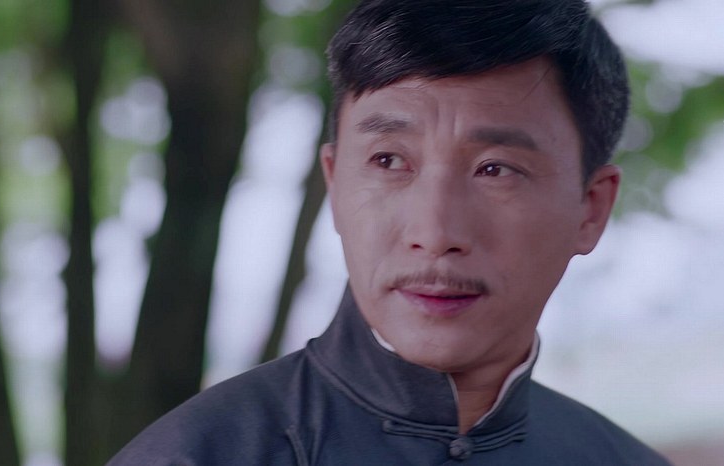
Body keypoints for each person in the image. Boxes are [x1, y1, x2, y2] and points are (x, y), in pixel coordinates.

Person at [108, 0, 672, 464]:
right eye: (388, 160)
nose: (435, 233)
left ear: (590, 209)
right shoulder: (194, 455)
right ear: (335, 185)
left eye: (495, 169)